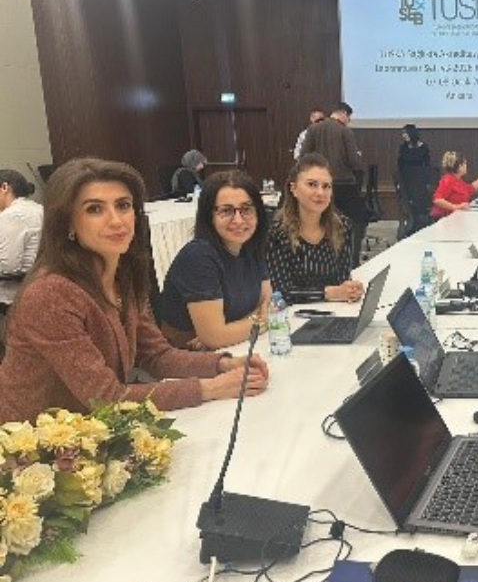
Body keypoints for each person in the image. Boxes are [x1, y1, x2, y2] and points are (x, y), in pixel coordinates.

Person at [0, 158, 268, 421]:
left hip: (88, 429)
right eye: (95, 209)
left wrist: (223, 364)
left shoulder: (120, 277)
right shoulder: (51, 294)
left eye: (123, 205)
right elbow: (107, 398)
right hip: (32, 439)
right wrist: (211, 388)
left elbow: (157, 356)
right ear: (67, 221)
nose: (117, 221)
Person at [158, 170, 271, 350]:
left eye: (246, 209)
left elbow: (267, 302)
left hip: (237, 347)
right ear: (209, 216)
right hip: (188, 358)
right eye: (226, 211)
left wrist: (233, 330)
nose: (238, 220)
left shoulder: (251, 247)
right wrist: (262, 321)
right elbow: (215, 337)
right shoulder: (198, 257)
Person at [267, 153, 364, 304]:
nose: (320, 193)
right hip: (291, 314)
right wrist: (328, 293)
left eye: (326, 186)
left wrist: (350, 290)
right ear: (293, 188)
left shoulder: (342, 226)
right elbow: (280, 291)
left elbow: (342, 279)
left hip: (334, 310)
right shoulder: (277, 232)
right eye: (312, 184)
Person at [301, 102, 367, 267]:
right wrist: (358, 158)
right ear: (343, 113)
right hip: (344, 184)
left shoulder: (313, 129)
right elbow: (354, 162)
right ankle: (351, 261)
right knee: (356, 221)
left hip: (320, 186)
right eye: (348, 117)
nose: (348, 121)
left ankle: (322, 261)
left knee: (323, 223)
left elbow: (303, 157)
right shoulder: (345, 131)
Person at [0, 170, 44, 308]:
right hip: (38, 288)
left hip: (11, 297)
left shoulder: (12, 215)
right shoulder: (39, 209)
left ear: (4, 187)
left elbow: (8, 265)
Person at [431, 151, 478, 219]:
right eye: (465, 163)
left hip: (455, 217)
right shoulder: (448, 179)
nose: (466, 166)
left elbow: (471, 189)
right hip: (443, 218)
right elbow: (437, 200)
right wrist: (456, 207)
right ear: (459, 166)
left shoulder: (458, 179)